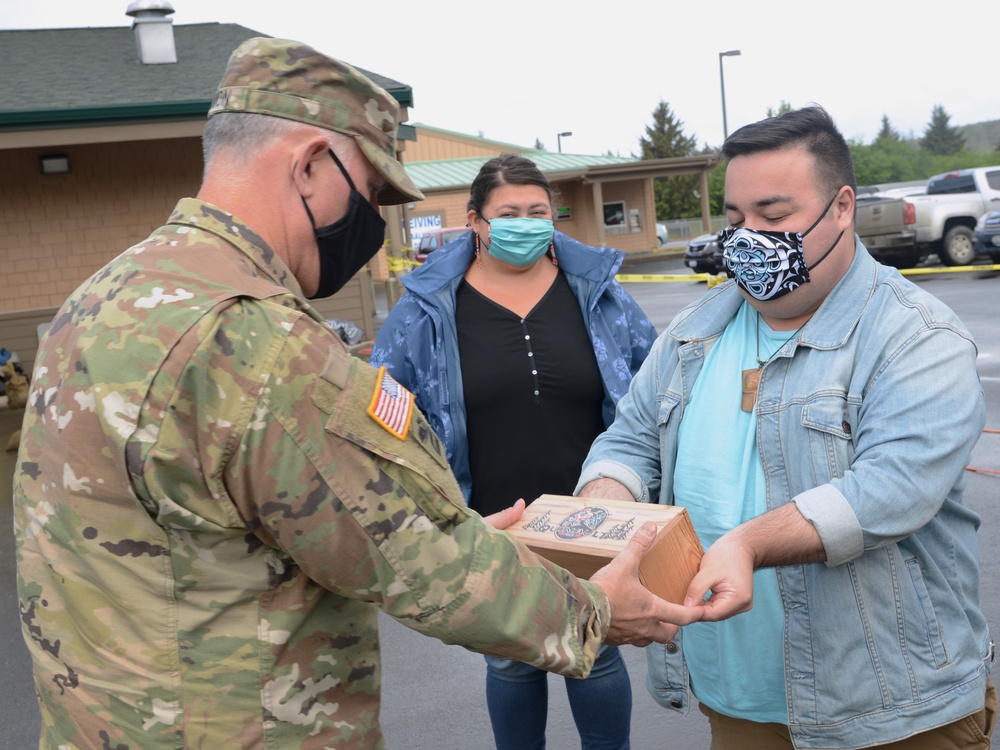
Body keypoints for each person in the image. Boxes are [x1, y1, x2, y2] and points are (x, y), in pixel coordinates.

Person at [12, 38, 702, 750]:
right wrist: (593, 611)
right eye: (371, 193)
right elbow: (411, 562)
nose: (372, 225)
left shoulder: (104, 296)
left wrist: (447, 532)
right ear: (311, 164)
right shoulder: (259, 341)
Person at [575, 105, 996, 749]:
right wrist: (602, 518)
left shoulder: (916, 334)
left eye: (774, 217)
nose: (749, 238)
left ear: (843, 207)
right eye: (737, 219)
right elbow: (630, 440)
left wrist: (746, 544)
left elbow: (892, 487)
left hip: (890, 708)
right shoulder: (695, 330)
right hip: (738, 700)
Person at [370, 153, 657, 749]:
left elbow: (657, 381)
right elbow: (383, 410)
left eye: (537, 212)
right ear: (476, 221)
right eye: (509, 213)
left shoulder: (598, 293)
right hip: (492, 519)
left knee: (596, 653)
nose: (525, 222)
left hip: (591, 518)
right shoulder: (428, 307)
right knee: (509, 661)